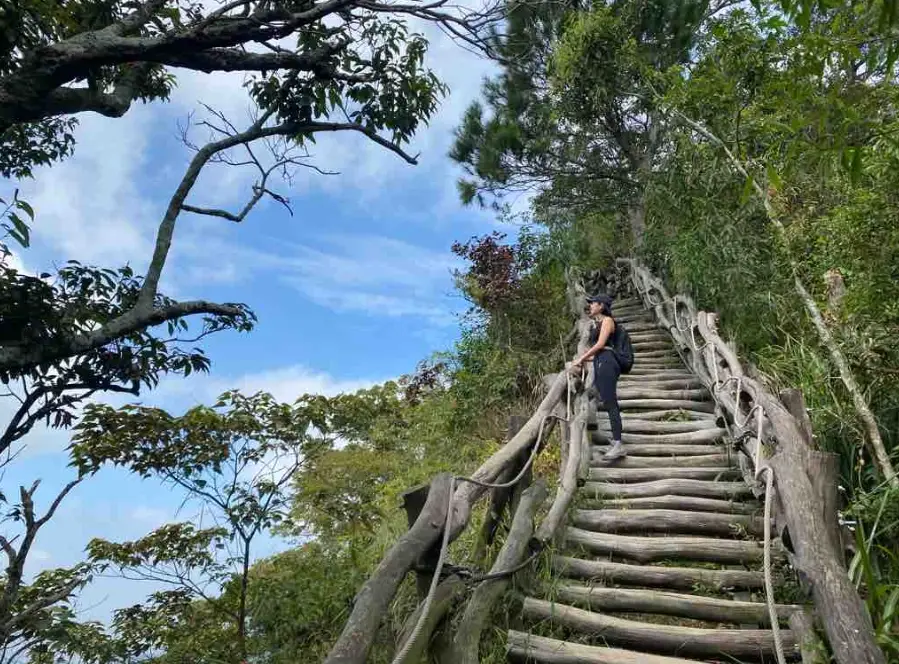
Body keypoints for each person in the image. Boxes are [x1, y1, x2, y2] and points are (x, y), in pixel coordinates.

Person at [571, 294, 626, 461]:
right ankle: (615, 442)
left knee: (610, 402)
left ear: (601, 306)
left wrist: (581, 358)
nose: (590, 306)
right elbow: (600, 351)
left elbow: (601, 345)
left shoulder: (608, 321)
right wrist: (581, 360)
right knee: (603, 398)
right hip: (601, 361)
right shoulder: (598, 323)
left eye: (593, 303)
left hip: (608, 363)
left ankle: (618, 444)